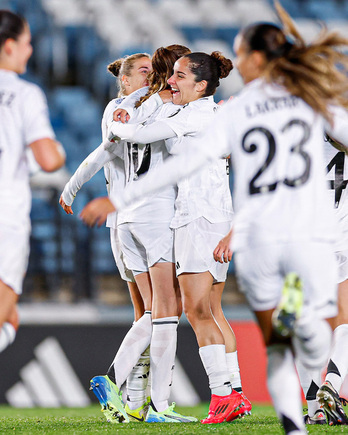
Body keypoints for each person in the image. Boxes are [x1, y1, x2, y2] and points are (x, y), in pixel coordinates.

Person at [79, 2, 348, 432]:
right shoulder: (311, 105)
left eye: (241, 53)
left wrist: (121, 196)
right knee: (315, 323)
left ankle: (295, 404)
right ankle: (321, 387)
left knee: (274, 331)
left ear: (258, 59)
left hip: (257, 236)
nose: (237, 61)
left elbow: (188, 163)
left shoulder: (234, 111)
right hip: (306, 234)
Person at [92, 50, 250, 424]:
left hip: (198, 217)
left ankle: (219, 396)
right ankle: (233, 393)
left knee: (193, 310)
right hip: (206, 215)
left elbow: (138, 133)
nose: (170, 82)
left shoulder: (195, 115)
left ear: (201, 85)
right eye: (171, 75)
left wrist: (119, 119)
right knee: (208, 309)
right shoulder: (200, 111)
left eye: (179, 76)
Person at [59, 53, 153, 423]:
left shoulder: (146, 108)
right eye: (143, 72)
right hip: (139, 220)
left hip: (130, 222)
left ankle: (136, 401)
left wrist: (71, 187)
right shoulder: (121, 107)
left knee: (145, 314)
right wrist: (73, 186)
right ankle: (115, 381)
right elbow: (105, 151)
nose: (152, 77)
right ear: (125, 80)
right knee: (162, 312)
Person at [0, 10, 65, 354]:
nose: (30, 52)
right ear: (9, 45)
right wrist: (59, 150)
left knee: (9, 319)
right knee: (6, 316)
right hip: (5, 216)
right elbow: (48, 159)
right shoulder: (24, 94)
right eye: (26, 44)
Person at [297, 134, 348, 426]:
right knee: (345, 320)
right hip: (341, 241)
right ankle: (332, 381)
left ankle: (314, 405)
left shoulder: (295, 132)